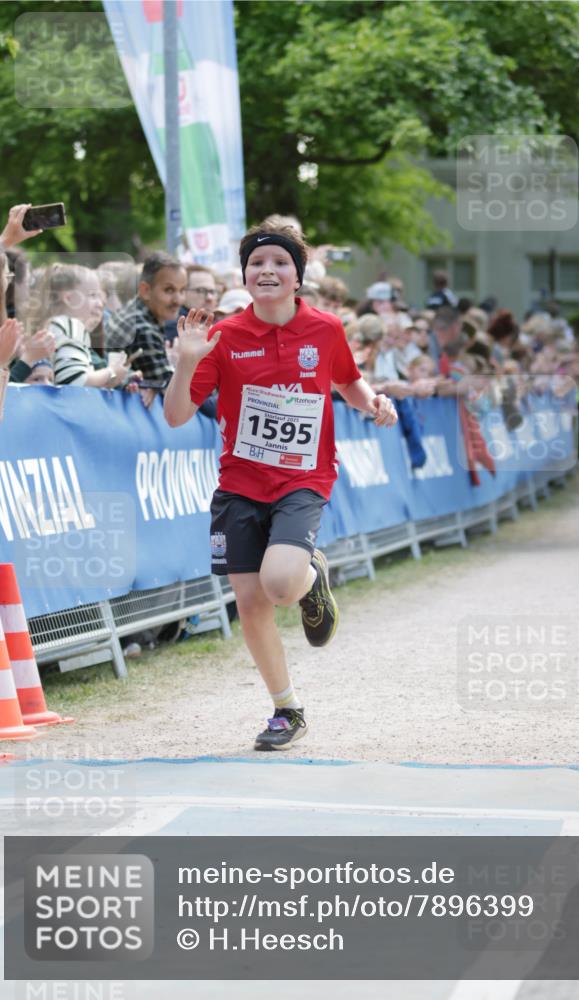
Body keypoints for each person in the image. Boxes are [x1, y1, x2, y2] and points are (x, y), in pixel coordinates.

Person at [163, 220, 397, 751]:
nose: (267, 270)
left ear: (298, 277)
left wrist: (375, 403)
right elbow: (177, 416)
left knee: (280, 585)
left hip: (303, 478)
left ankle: (310, 576)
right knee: (250, 602)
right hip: (239, 483)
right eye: (257, 263)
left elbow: (346, 380)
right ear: (245, 275)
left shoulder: (326, 328)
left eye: (280, 263)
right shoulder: (221, 336)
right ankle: (286, 709)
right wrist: (186, 365)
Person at [107, 251, 187, 408]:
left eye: (182, 290)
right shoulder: (142, 328)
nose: (178, 300)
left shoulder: (139, 313)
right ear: (145, 290)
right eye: (169, 290)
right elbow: (176, 393)